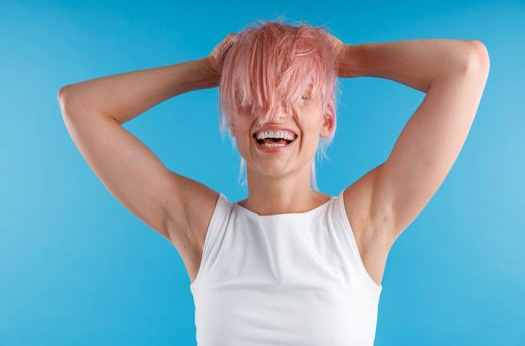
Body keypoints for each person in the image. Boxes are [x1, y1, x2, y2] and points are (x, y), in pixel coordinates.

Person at [57, 19, 490, 346]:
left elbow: (466, 66)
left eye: (298, 95)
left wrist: (343, 59)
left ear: (327, 119)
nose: (271, 114)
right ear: (231, 121)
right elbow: (79, 105)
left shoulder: (363, 223)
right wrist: (209, 69)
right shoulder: (204, 231)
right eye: (250, 97)